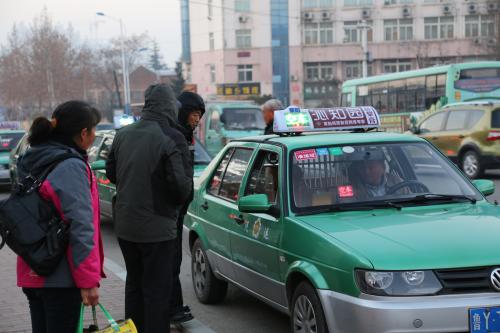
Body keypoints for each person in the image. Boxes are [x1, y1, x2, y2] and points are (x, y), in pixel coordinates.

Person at [105, 84, 193, 333]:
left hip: (125, 225)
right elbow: (181, 187)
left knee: (134, 285)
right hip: (157, 228)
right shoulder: (173, 137)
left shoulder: (122, 134)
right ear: (169, 106)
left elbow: (112, 173)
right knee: (157, 290)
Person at [17, 101, 104, 333]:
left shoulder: (32, 157)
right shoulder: (70, 166)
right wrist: (88, 280)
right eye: (94, 130)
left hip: (34, 267)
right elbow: (80, 225)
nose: (95, 136)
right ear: (83, 133)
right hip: (61, 276)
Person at [170, 91, 205, 324]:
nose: (197, 120)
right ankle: (172, 308)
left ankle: (174, 306)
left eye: (200, 115)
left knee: (173, 260)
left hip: (177, 209)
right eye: (194, 114)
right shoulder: (175, 136)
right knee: (170, 261)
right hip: (169, 211)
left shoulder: (185, 134)